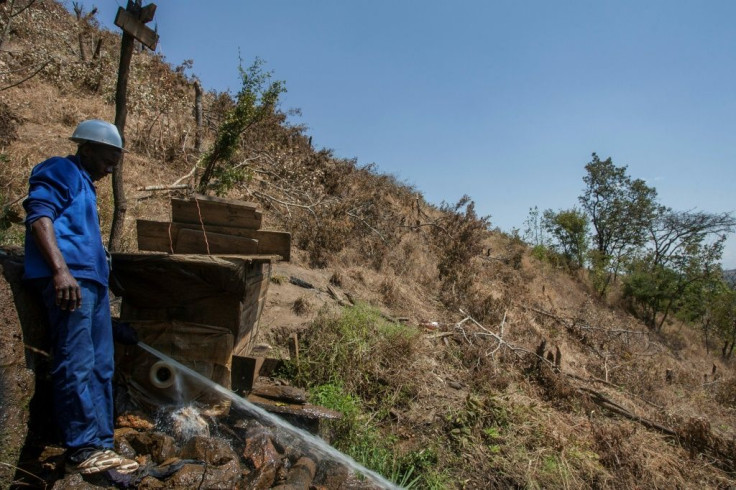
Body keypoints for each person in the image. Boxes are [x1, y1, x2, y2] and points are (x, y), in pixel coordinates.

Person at [23, 119, 139, 475]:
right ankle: (81, 447)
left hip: (92, 285)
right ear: (86, 148)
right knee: (76, 362)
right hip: (71, 283)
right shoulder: (61, 170)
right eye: (106, 160)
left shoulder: (85, 184)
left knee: (102, 365)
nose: (109, 169)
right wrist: (60, 271)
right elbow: (39, 216)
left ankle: (101, 444)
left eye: (114, 163)